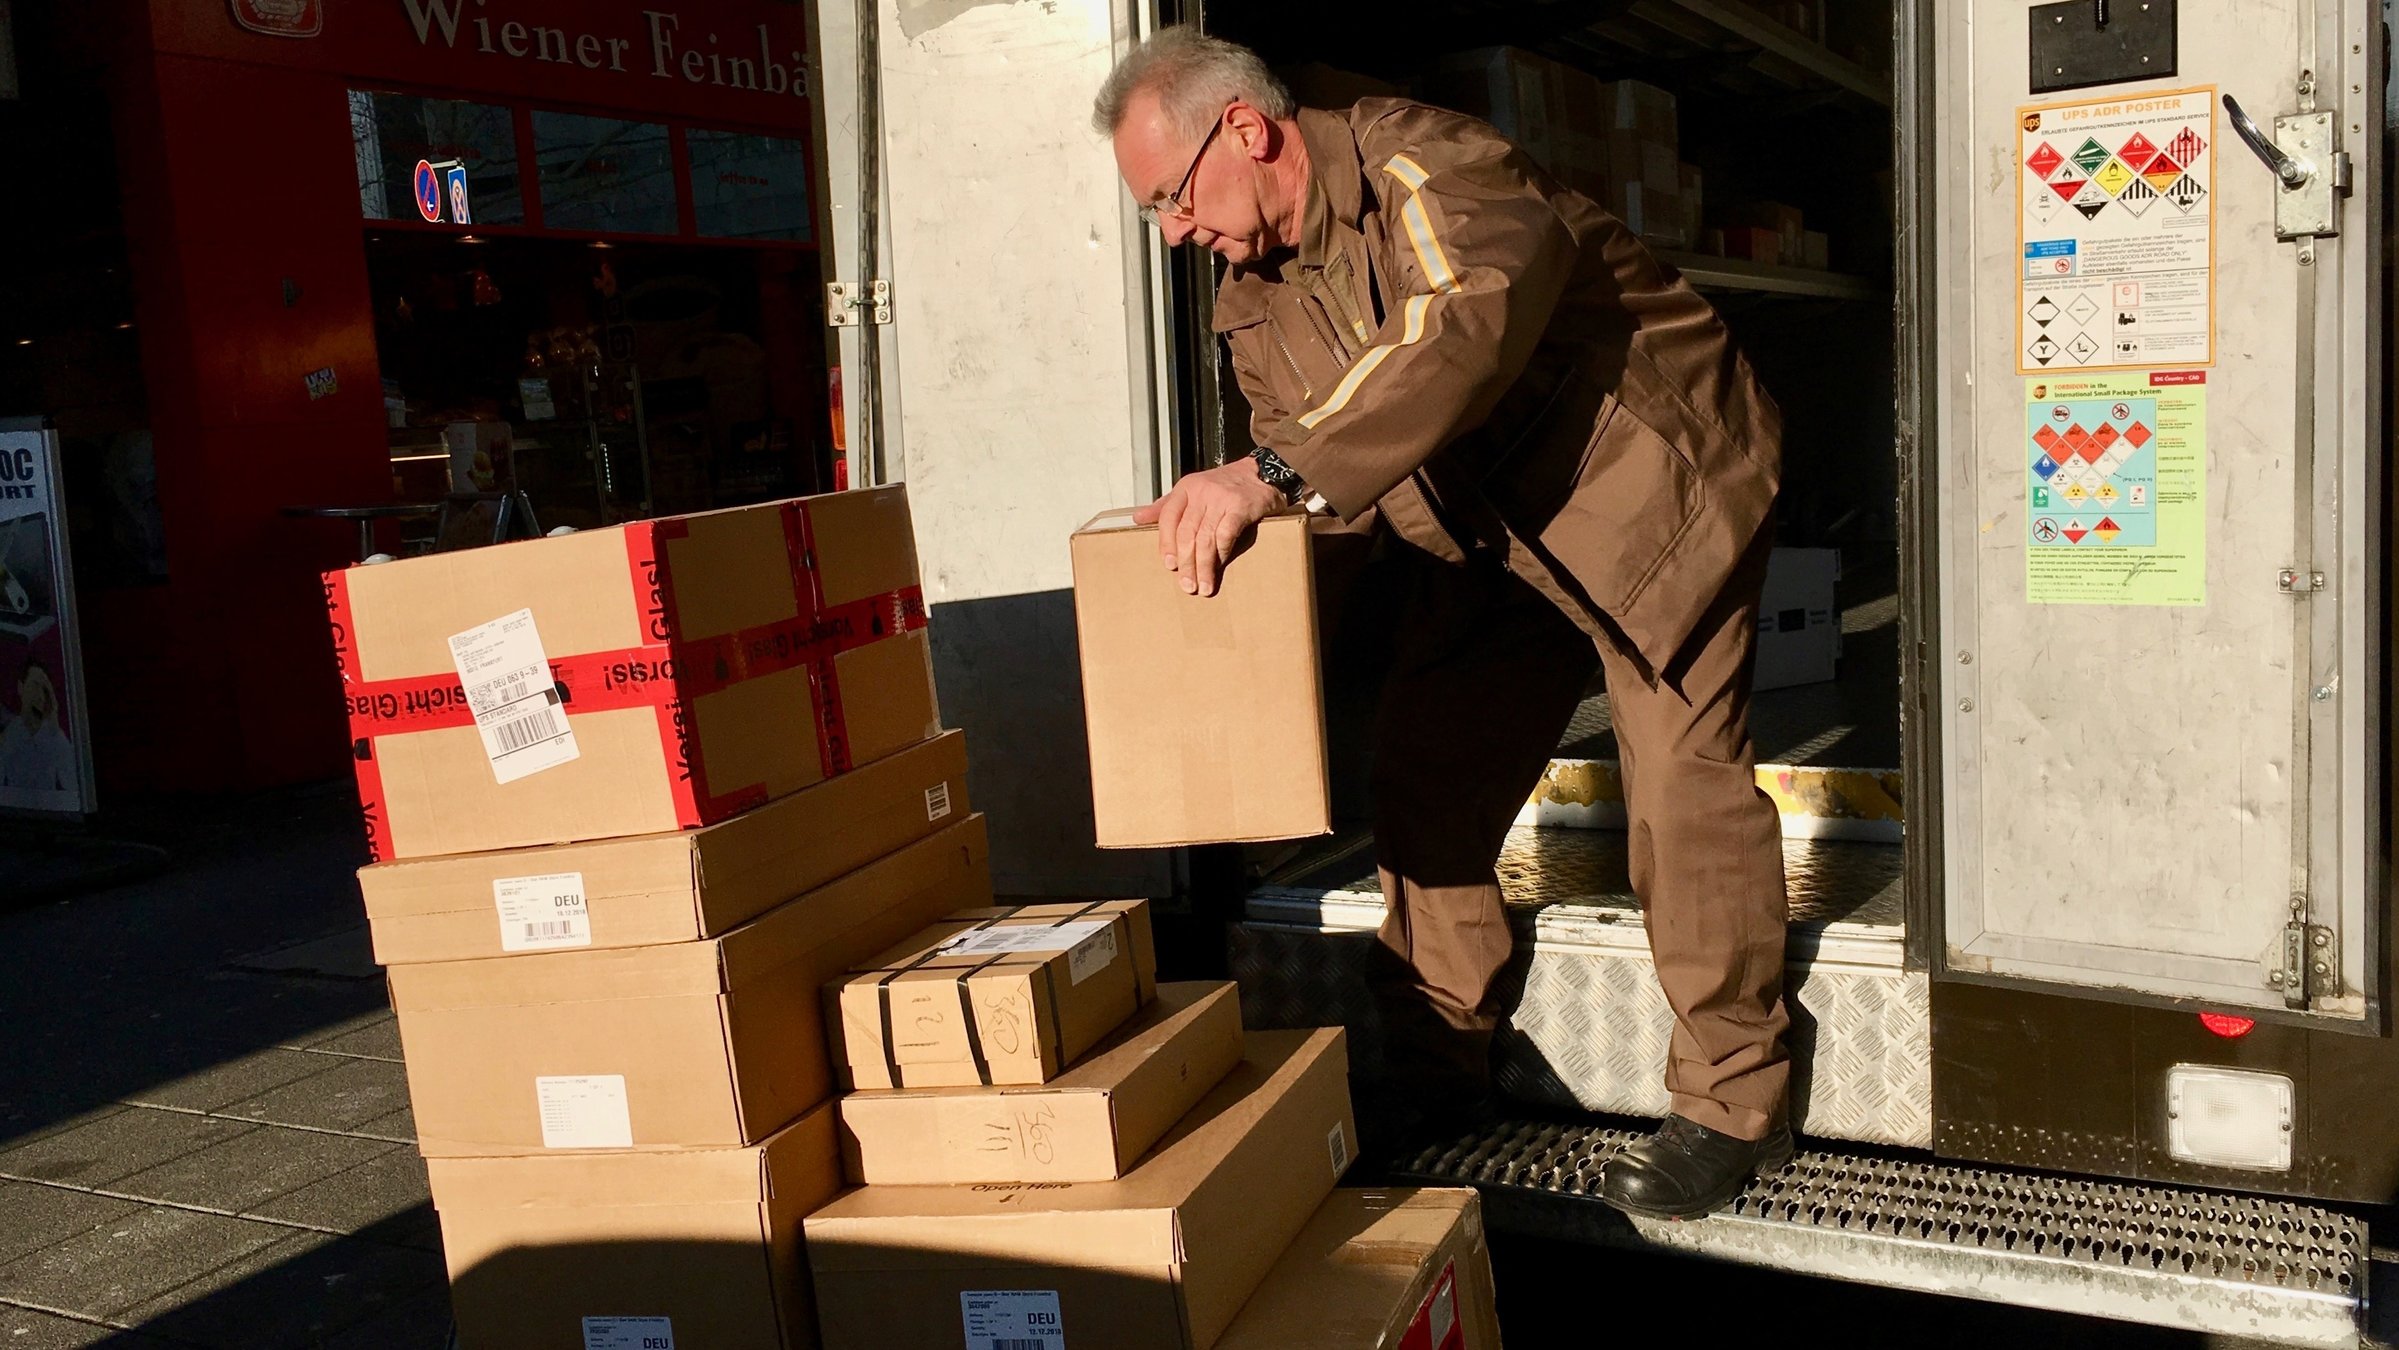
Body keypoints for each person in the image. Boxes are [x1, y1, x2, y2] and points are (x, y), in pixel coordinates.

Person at [1094, 29, 1794, 1219]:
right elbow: (1322, 486)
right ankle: (1434, 1072)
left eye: (1169, 198)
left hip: (1649, 492)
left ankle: (1734, 1102)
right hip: (1490, 540)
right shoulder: (1248, 298)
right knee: (1422, 773)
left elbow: (1458, 321)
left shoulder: (1425, 168)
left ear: (1247, 133)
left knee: (1678, 788)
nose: (1171, 231)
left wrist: (1262, 475)